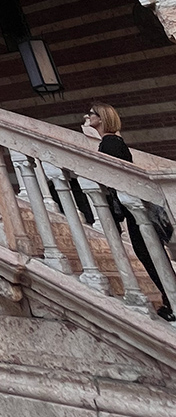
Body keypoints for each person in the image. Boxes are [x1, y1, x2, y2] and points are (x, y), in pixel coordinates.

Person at [82, 102, 174, 322]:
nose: (88, 116)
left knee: (149, 255)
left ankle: (171, 300)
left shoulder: (110, 144)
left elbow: (115, 179)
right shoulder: (114, 141)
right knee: (150, 254)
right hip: (134, 210)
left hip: (135, 212)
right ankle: (169, 298)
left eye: (91, 114)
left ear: (101, 118)